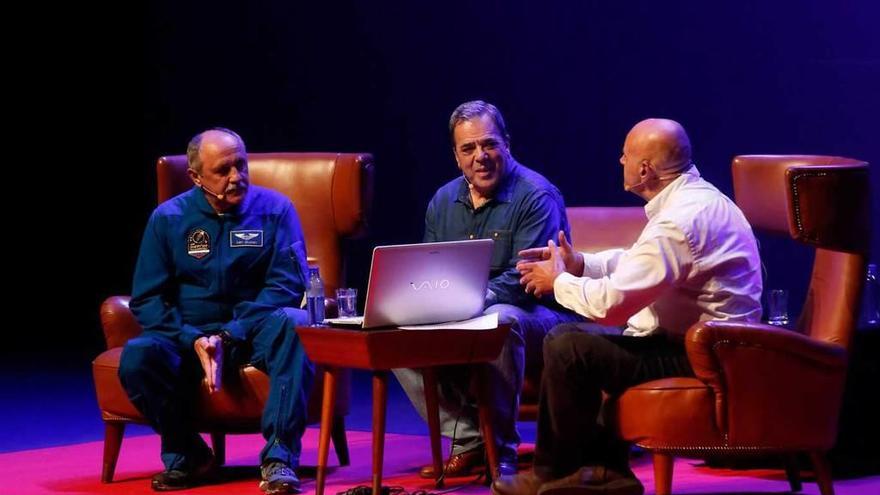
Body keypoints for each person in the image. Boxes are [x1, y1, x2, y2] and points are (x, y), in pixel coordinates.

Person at [497, 118, 763, 495]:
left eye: (626, 153)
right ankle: (602, 471)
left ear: (645, 169)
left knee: (570, 347)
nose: (619, 158)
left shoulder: (680, 220)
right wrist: (582, 265)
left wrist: (557, 282)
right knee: (570, 337)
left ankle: (562, 471)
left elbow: (612, 306)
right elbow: (641, 262)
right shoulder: (693, 200)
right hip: (700, 345)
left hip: (708, 355)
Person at [393, 100, 583, 479]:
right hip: (464, 310)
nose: (481, 156)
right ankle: (468, 439)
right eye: (469, 148)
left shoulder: (536, 196)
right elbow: (431, 268)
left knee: (501, 320)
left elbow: (527, 277)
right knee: (394, 333)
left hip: (540, 314)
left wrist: (474, 301)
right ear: (456, 156)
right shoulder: (443, 200)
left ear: (507, 145)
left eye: (489, 144)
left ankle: (501, 447)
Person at [118, 128, 313, 494]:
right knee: (137, 357)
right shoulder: (168, 219)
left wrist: (230, 334)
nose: (236, 176)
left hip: (253, 329)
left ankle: (279, 458)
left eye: (241, 164)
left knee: (295, 323)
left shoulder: (276, 209)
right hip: (187, 335)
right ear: (195, 176)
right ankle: (188, 453)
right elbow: (147, 298)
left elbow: (286, 286)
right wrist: (193, 338)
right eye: (223, 170)